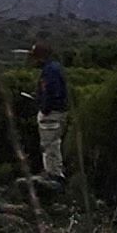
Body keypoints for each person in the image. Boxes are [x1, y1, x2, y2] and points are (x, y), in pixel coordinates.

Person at [33, 44, 70, 183]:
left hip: (52, 114)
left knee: (49, 144)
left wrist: (45, 109)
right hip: (57, 112)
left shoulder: (50, 71)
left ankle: (53, 175)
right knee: (53, 144)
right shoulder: (53, 68)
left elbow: (53, 92)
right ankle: (54, 172)